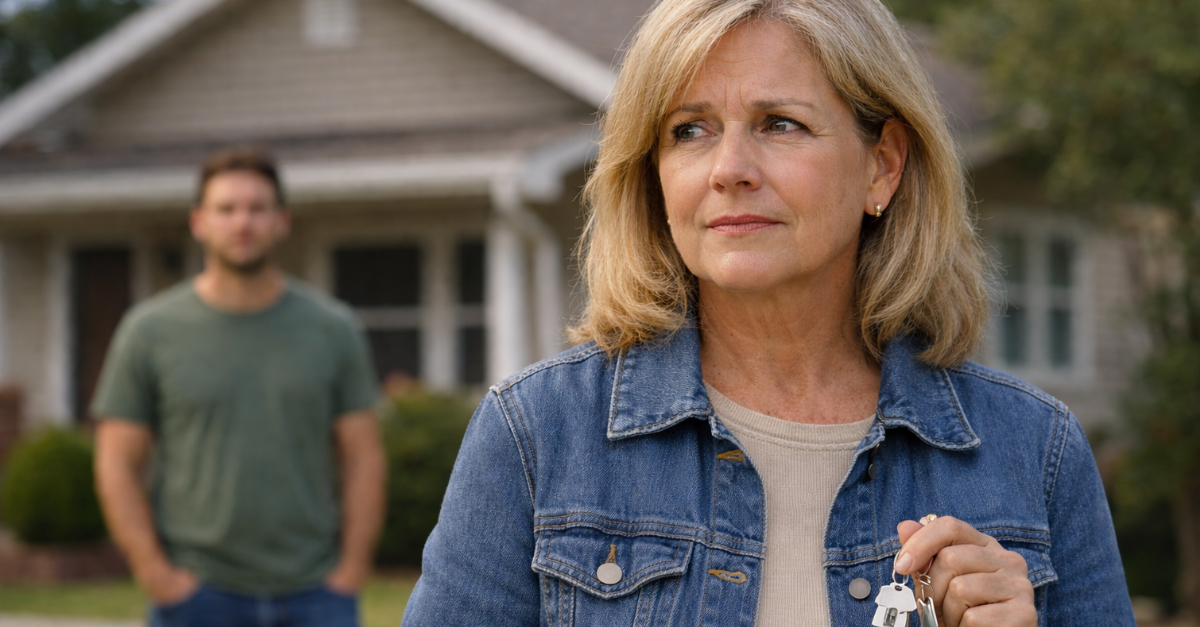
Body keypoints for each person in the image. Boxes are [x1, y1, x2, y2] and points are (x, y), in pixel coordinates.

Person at [401, 0, 1136, 625]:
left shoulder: (1037, 453)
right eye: (689, 129)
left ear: (882, 163)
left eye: (779, 123)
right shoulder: (533, 437)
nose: (729, 170)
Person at [93, 147, 387, 627]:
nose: (242, 222)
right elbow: (117, 463)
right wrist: (156, 575)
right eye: (226, 209)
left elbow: (363, 458)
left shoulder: (333, 329)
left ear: (282, 221)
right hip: (197, 594)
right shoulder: (149, 331)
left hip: (317, 595)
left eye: (257, 208)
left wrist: (351, 571)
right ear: (198, 221)